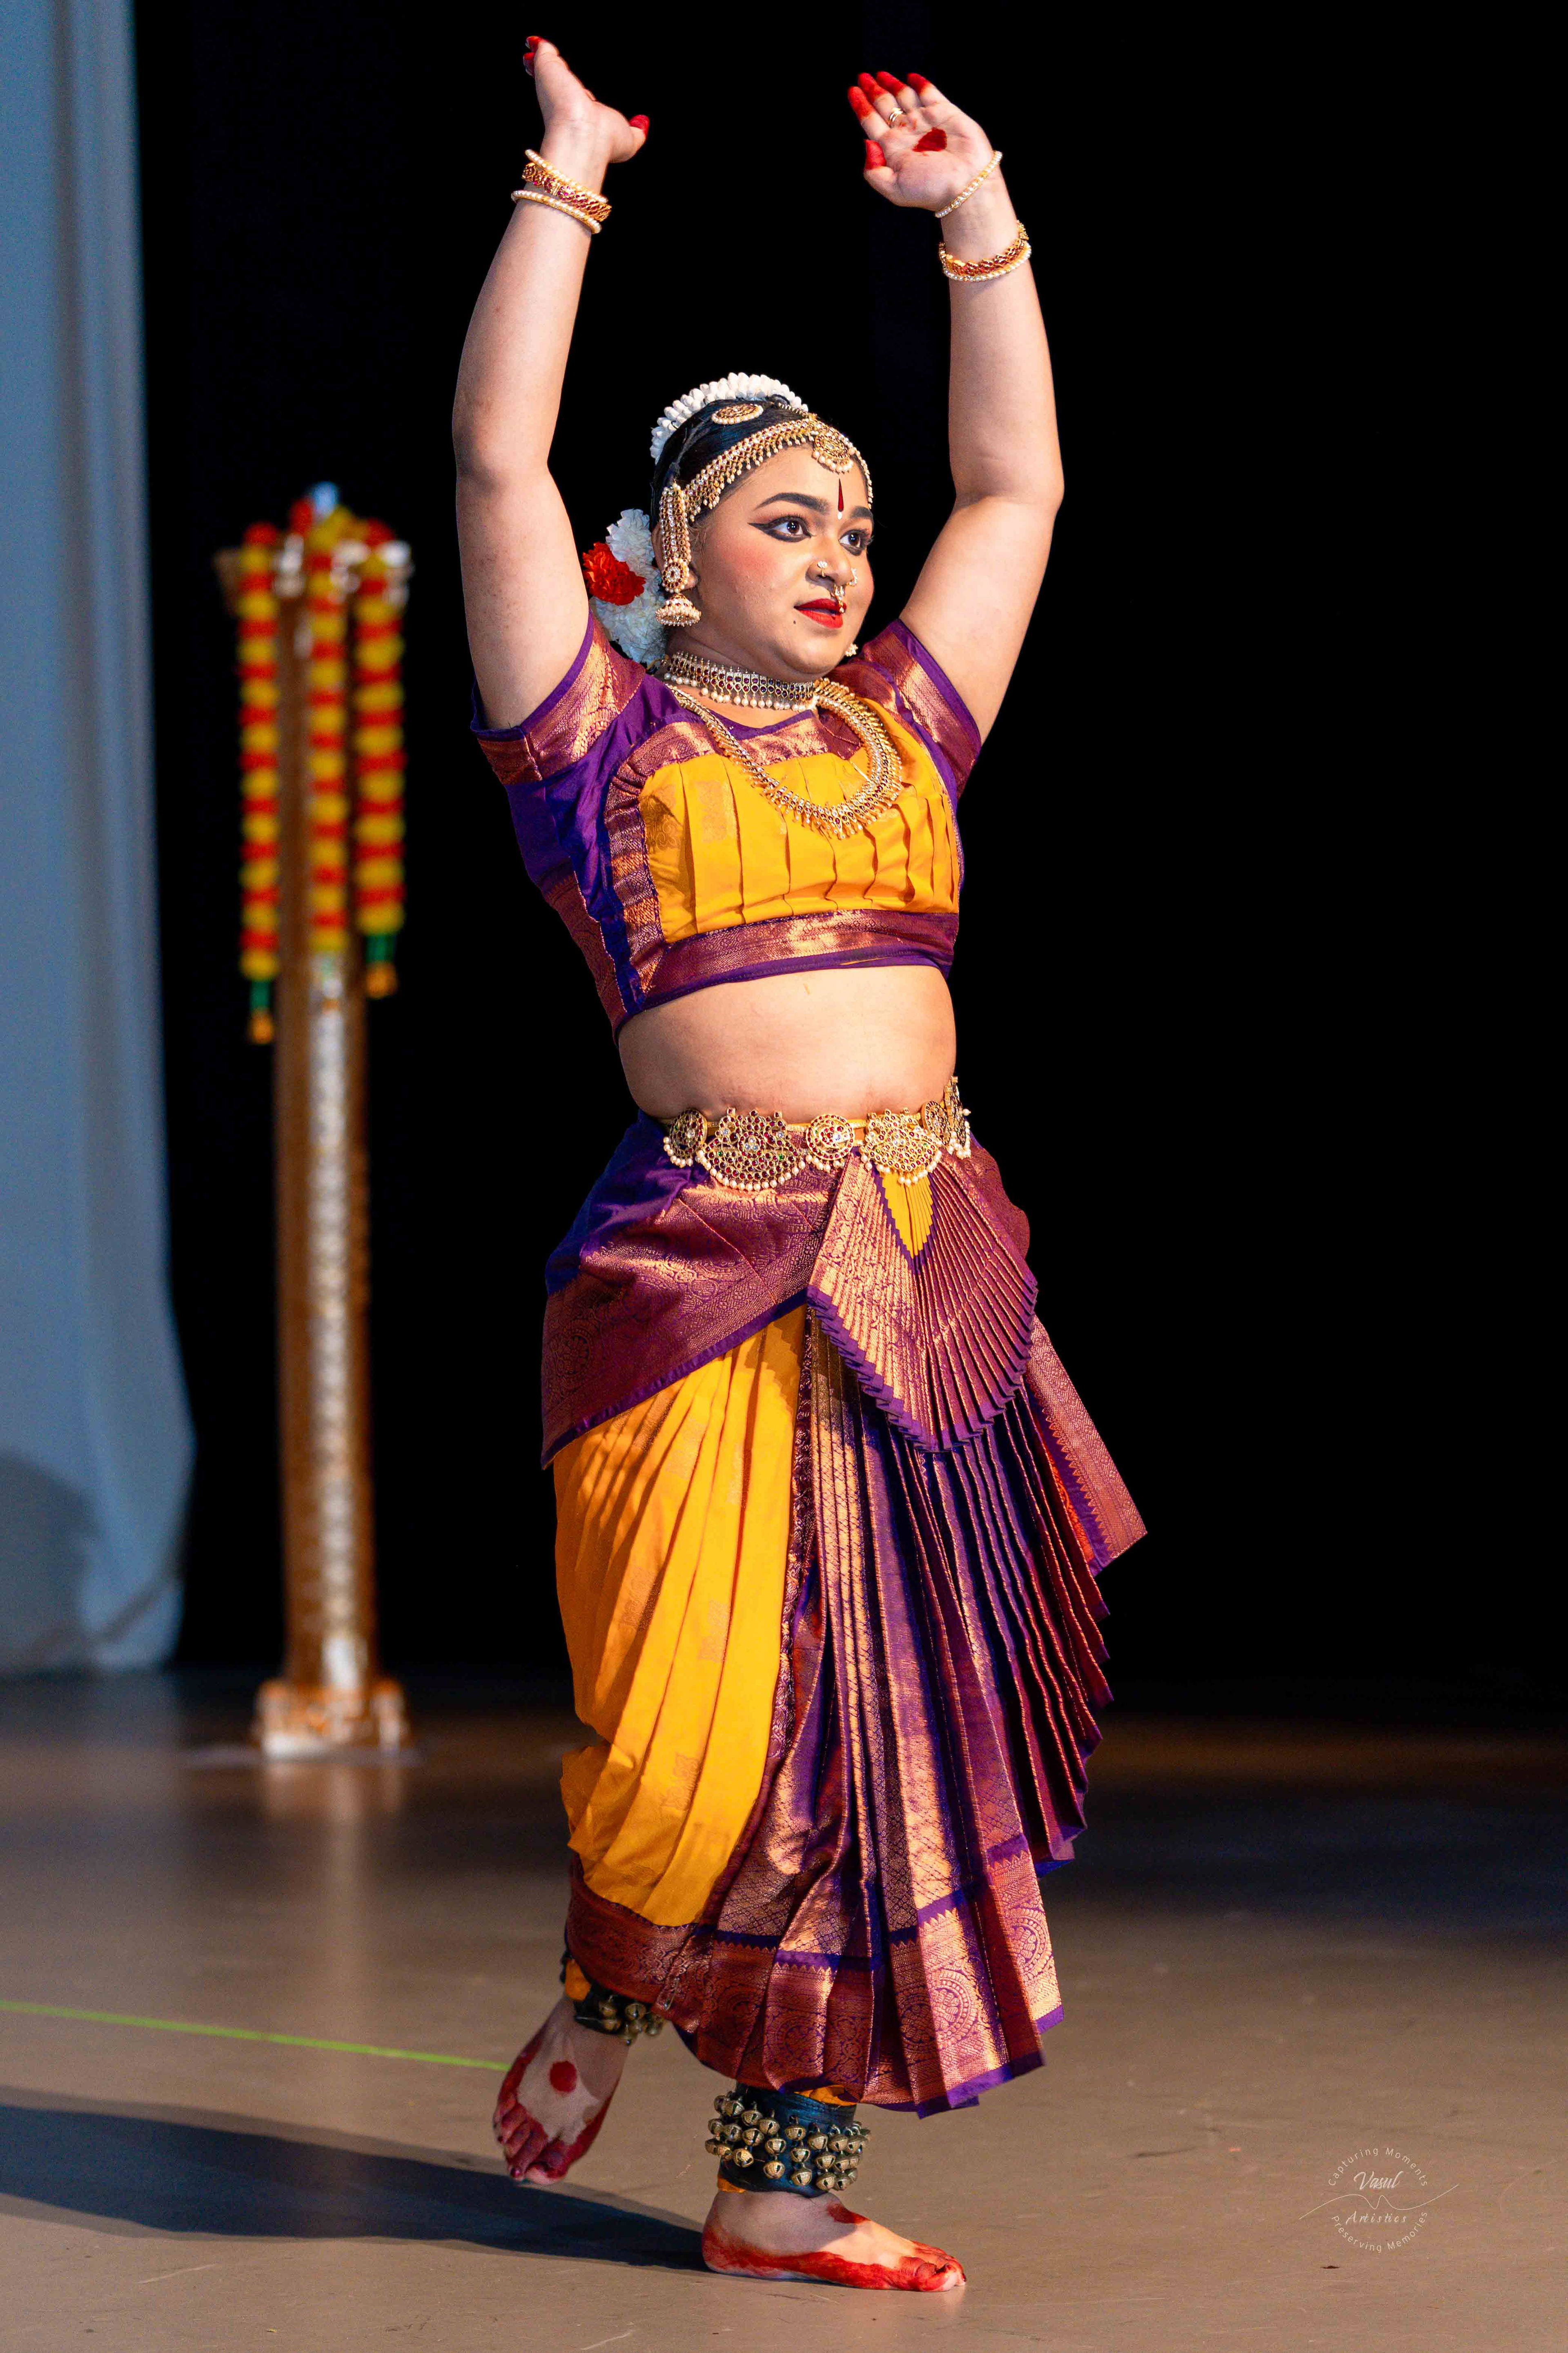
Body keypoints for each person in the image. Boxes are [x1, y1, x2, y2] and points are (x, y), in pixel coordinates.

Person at [453, 35, 1144, 2294]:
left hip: (927, 1262)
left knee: (882, 1741)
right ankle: (605, 1984)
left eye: (853, 525)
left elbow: (1017, 488)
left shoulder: (907, 728)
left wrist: (979, 217)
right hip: (701, 1271)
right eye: (788, 521)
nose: (844, 555)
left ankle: (778, 2179)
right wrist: (567, 182)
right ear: (669, 562)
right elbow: (493, 462)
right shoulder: (596, 741)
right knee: (684, 1745)